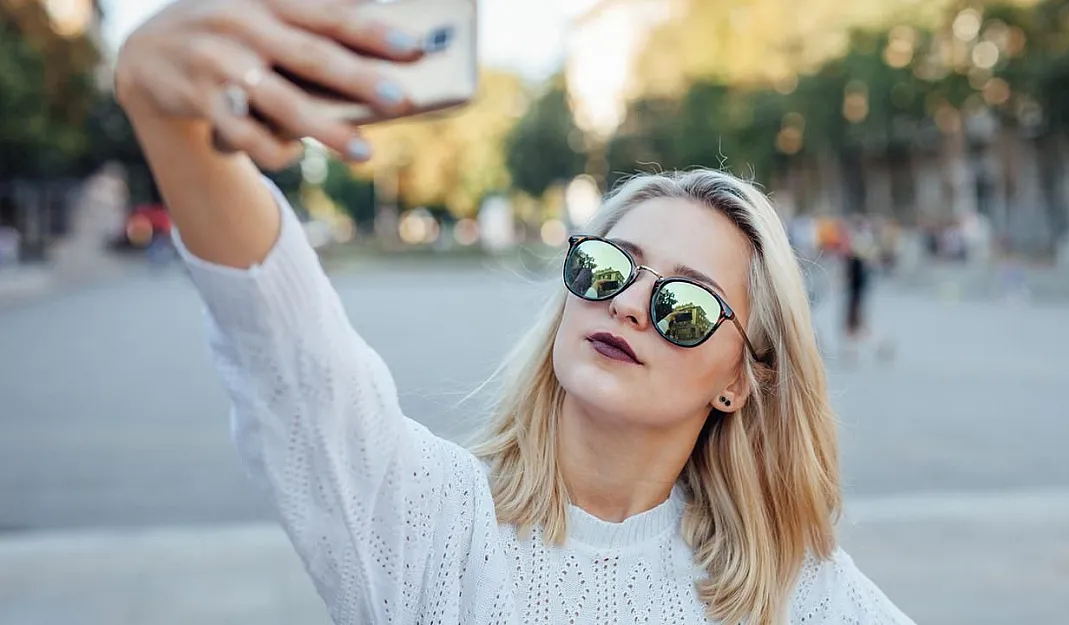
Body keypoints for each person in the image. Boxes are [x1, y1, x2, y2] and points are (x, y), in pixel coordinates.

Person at [114, 1, 914, 623]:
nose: (630, 304)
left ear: (740, 378)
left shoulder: (789, 591)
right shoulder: (427, 519)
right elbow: (285, 344)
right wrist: (168, 115)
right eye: (606, 267)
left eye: (683, 304)